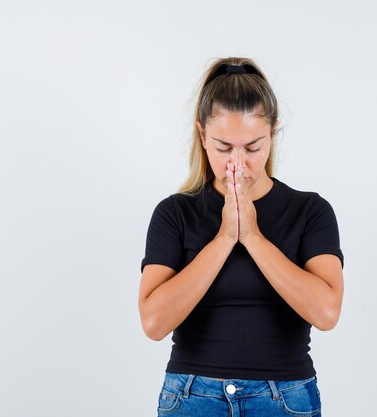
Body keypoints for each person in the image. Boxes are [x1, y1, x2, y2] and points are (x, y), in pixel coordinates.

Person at [138, 57, 344, 417]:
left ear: (273, 133)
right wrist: (222, 239)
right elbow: (154, 323)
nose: (238, 163)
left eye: (252, 147)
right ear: (202, 135)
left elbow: (326, 313)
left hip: (285, 398)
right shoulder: (174, 213)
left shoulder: (310, 211)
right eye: (222, 148)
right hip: (191, 396)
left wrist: (252, 236)